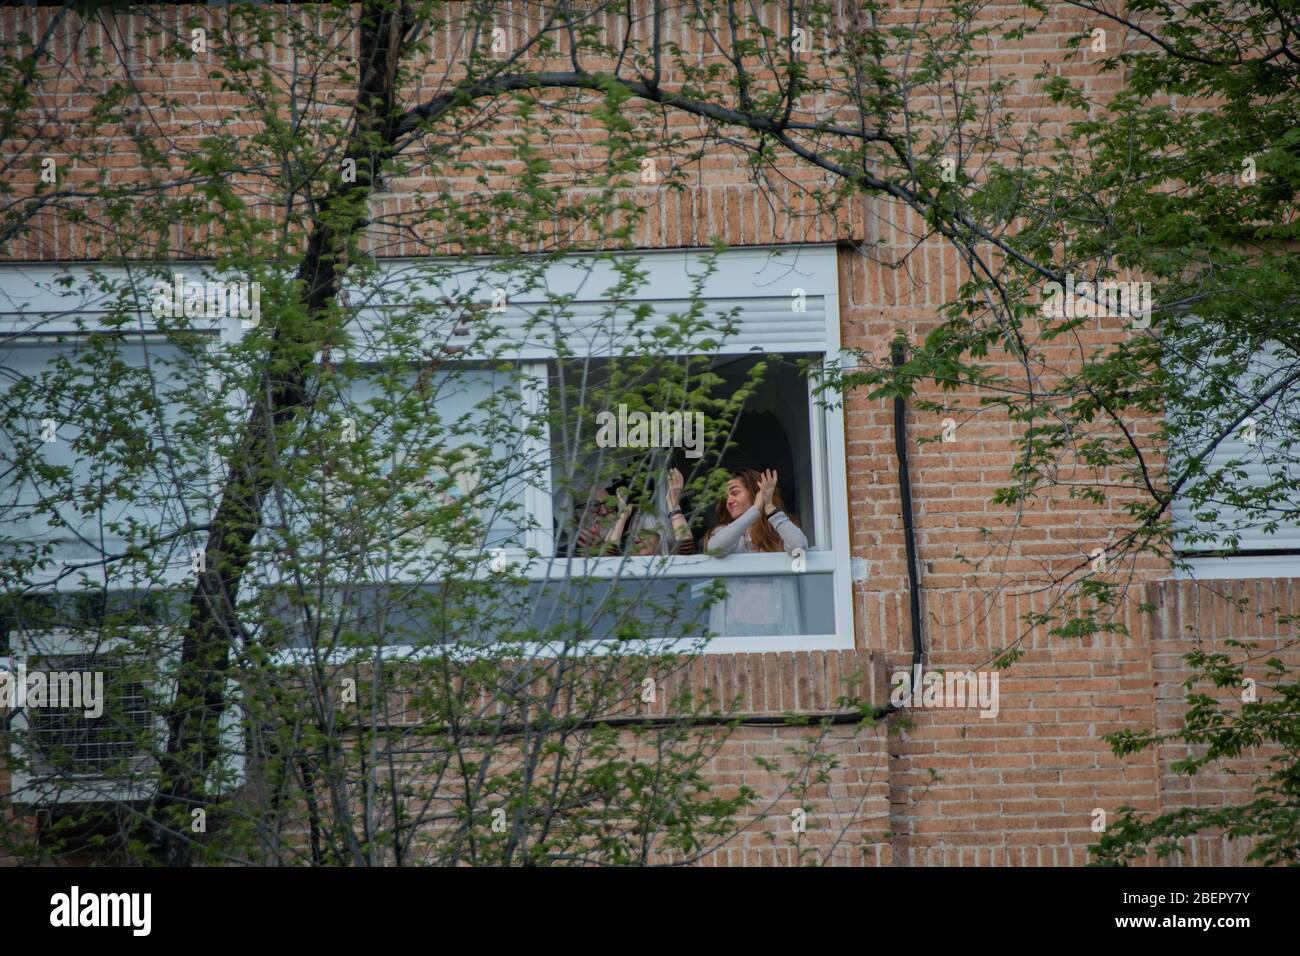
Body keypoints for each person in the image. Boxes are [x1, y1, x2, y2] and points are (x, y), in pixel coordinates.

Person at [703, 468, 806, 636]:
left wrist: (769, 507)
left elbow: (798, 545)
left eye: (735, 493)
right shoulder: (727, 532)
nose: (728, 501)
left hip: (777, 630)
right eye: (726, 497)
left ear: (755, 493)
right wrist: (754, 512)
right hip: (733, 631)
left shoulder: (779, 530)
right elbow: (716, 548)